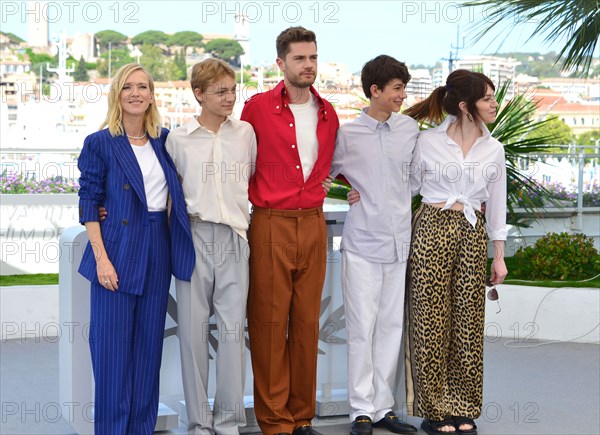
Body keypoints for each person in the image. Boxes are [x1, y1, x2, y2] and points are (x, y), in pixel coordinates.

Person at [77, 63, 195, 434]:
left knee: (148, 356)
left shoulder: (165, 140)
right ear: (117, 93)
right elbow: (88, 202)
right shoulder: (100, 143)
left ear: (152, 94)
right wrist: (101, 260)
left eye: (143, 86)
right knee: (112, 357)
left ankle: (141, 429)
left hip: (157, 249)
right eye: (128, 86)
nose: (136, 93)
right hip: (116, 251)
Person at [240, 26, 339, 435]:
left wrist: (352, 190)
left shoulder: (328, 112)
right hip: (270, 224)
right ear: (280, 64)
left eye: (313, 57)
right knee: (268, 325)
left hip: (313, 223)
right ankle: (275, 421)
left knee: (305, 326)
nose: (308, 65)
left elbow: (334, 165)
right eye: (299, 58)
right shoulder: (257, 108)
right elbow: (235, 159)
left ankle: (301, 417)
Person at [403, 70, 508, 435]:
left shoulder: (494, 148)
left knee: (468, 322)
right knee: (429, 320)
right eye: (487, 98)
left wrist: (499, 254)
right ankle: (434, 409)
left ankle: (464, 405)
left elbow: (497, 205)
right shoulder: (428, 142)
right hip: (432, 226)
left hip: (472, 230)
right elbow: (408, 186)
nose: (495, 104)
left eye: (493, 97)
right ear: (465, 106)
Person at [165, 58, 256, 435]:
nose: (230, 98)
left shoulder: (245, 133)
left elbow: (248, 179)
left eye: (233, 90)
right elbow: (169, 194)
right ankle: (200, 423)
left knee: (234, 334)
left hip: (235, 238)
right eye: (220, 92)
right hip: (194, 237)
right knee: (192, 334)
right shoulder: (177, 138)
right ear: (199, 94)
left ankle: (230, 421)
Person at [329, 55, 419, 435]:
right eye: (397, 88)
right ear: (375, 91)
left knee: (390, 327)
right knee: (362, 328)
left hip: (400, 242)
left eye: (403, 87)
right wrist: (342, 191)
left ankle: (384, 408)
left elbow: (415, 180)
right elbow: (323, 176)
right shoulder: (347, 134)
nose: (403, 95)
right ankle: (360, 410)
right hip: (363, 243)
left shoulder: (410, 130)